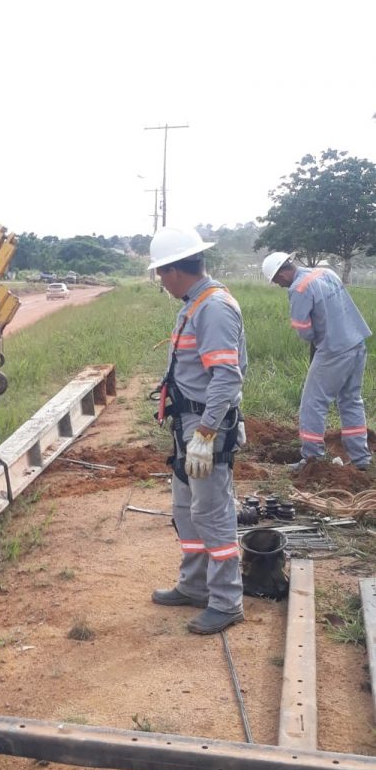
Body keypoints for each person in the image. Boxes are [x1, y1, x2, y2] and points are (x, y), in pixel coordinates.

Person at [149, 228, 247, 635]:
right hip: (187, 423)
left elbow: (226, 377)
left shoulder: (214, 308)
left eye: (160, 274)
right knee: (186, 509)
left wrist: (206, 434)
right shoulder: (195, 303)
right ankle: (194, 586)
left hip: (208, 425)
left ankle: (226, 602)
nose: (160, 281)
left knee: (212, 511)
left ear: (173, 272)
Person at [261, 252, 372, 471]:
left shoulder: (299, 288)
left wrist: (316, 336)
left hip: (334, 350)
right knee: (351, 400)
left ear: (282, 273)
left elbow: (305, 332)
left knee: (313, 402)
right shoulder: (326, 272)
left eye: (277, 281)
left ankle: (312, 460)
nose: (279, 285)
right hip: (357, 342)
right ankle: (361, 459)